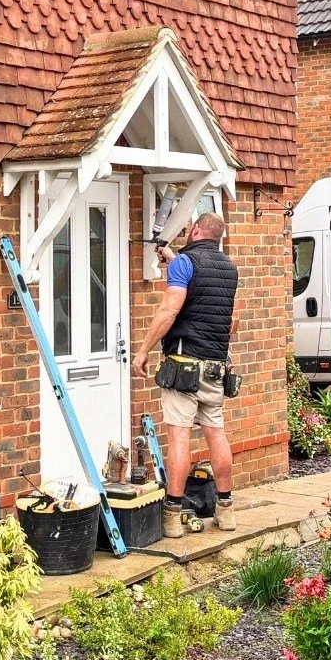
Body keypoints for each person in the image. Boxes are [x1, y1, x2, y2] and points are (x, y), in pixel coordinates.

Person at [132, 211, 239, 539]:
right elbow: (231, 321)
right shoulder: (229, 269)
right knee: (216, 435)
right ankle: (226, 510)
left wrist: (143, 349)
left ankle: (172, 515)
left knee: (180, 438)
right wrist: (172, 257)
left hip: (184, 368)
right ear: (217, 237)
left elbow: (169, 310)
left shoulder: (184, 265)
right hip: (215, 368)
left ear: (193, 230)